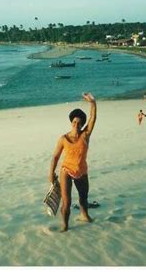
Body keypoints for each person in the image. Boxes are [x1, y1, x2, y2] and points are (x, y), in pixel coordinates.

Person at [48, 92, 97, 232]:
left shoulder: (85, 135)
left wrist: (93, 103)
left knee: (83, 197)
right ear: (71, 122)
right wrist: (51, 173)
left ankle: (85, 215)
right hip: (66, 171)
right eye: (74, 122)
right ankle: (65, 225)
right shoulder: (63, 138)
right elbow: (55, 157)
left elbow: (93, 118)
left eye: (79, 122)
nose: (76, 124)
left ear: (82, 124)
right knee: (67, 202)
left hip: (81, 171)